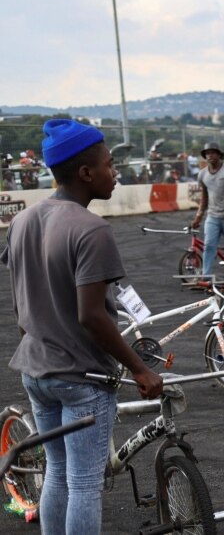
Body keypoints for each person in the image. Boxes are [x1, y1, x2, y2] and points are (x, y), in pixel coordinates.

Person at [4, 119, 163, 533]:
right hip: (82, 376)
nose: (116, 173)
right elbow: (91, 316)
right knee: (86, 483)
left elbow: (24, 303)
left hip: (36, 371)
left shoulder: (22, 222)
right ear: (86, 173)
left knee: (57, 472)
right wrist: (139, 368)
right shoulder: (92, 230)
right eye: (110, 165)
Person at [190, 141, 224, 283]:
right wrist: (198, 216)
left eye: (213, 152)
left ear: (219, 155)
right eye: (207, 153)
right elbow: (204, 197)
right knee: (209, 246)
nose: (210, 155)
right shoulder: (202, 174)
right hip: (212, 217)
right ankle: (206, 277)